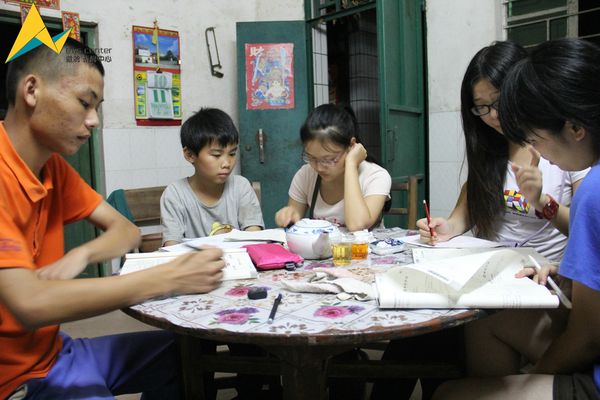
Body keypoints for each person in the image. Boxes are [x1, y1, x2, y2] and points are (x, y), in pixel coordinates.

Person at [0, 39, 224, 400]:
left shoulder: (52, 168)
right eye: (84, 102)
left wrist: (83, 254)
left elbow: (126, 229)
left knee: (187, 352)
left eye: (97, 107)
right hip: (15, 381)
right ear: (31, 90)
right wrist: (169, 276)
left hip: (56, 354)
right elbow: (31, 305)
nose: (94, 120)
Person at [433, 37, 600, 400]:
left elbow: (587, 336)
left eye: (536, 139)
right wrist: (570, 272)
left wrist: (532, 379)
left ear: (574, 128)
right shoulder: (491, 153)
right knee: (481, 324)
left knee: (448, 392)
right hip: (529, 279)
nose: (494, 117)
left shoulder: (589, 184)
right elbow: (461, 214)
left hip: (557, 304)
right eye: (482, 108)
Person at [417, 41, 587, 263]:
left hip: (541, 272)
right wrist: (447, 227)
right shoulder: (489, 146)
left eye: (499, 102)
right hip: (490, 267)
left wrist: (541, 201)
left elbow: (586, 228)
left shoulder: (565, 146)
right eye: (482, 106)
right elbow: (470, 206)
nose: (493, 116)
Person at [275, 103, 391, 231]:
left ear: (351, 145)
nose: (319, 167)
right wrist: (288, 216)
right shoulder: (306, 174)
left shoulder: (375, 176)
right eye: (312, 158)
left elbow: (357, 225)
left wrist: (351, 165)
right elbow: (292, 222)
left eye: (329, 160)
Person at [160, 107, 264, 246]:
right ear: (190, 155)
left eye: (232, 154)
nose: (227, 163)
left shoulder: (240, 186)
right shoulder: (175, 195)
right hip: (194, 261)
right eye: (216, 155)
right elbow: (172, 246)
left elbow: (254, 236)